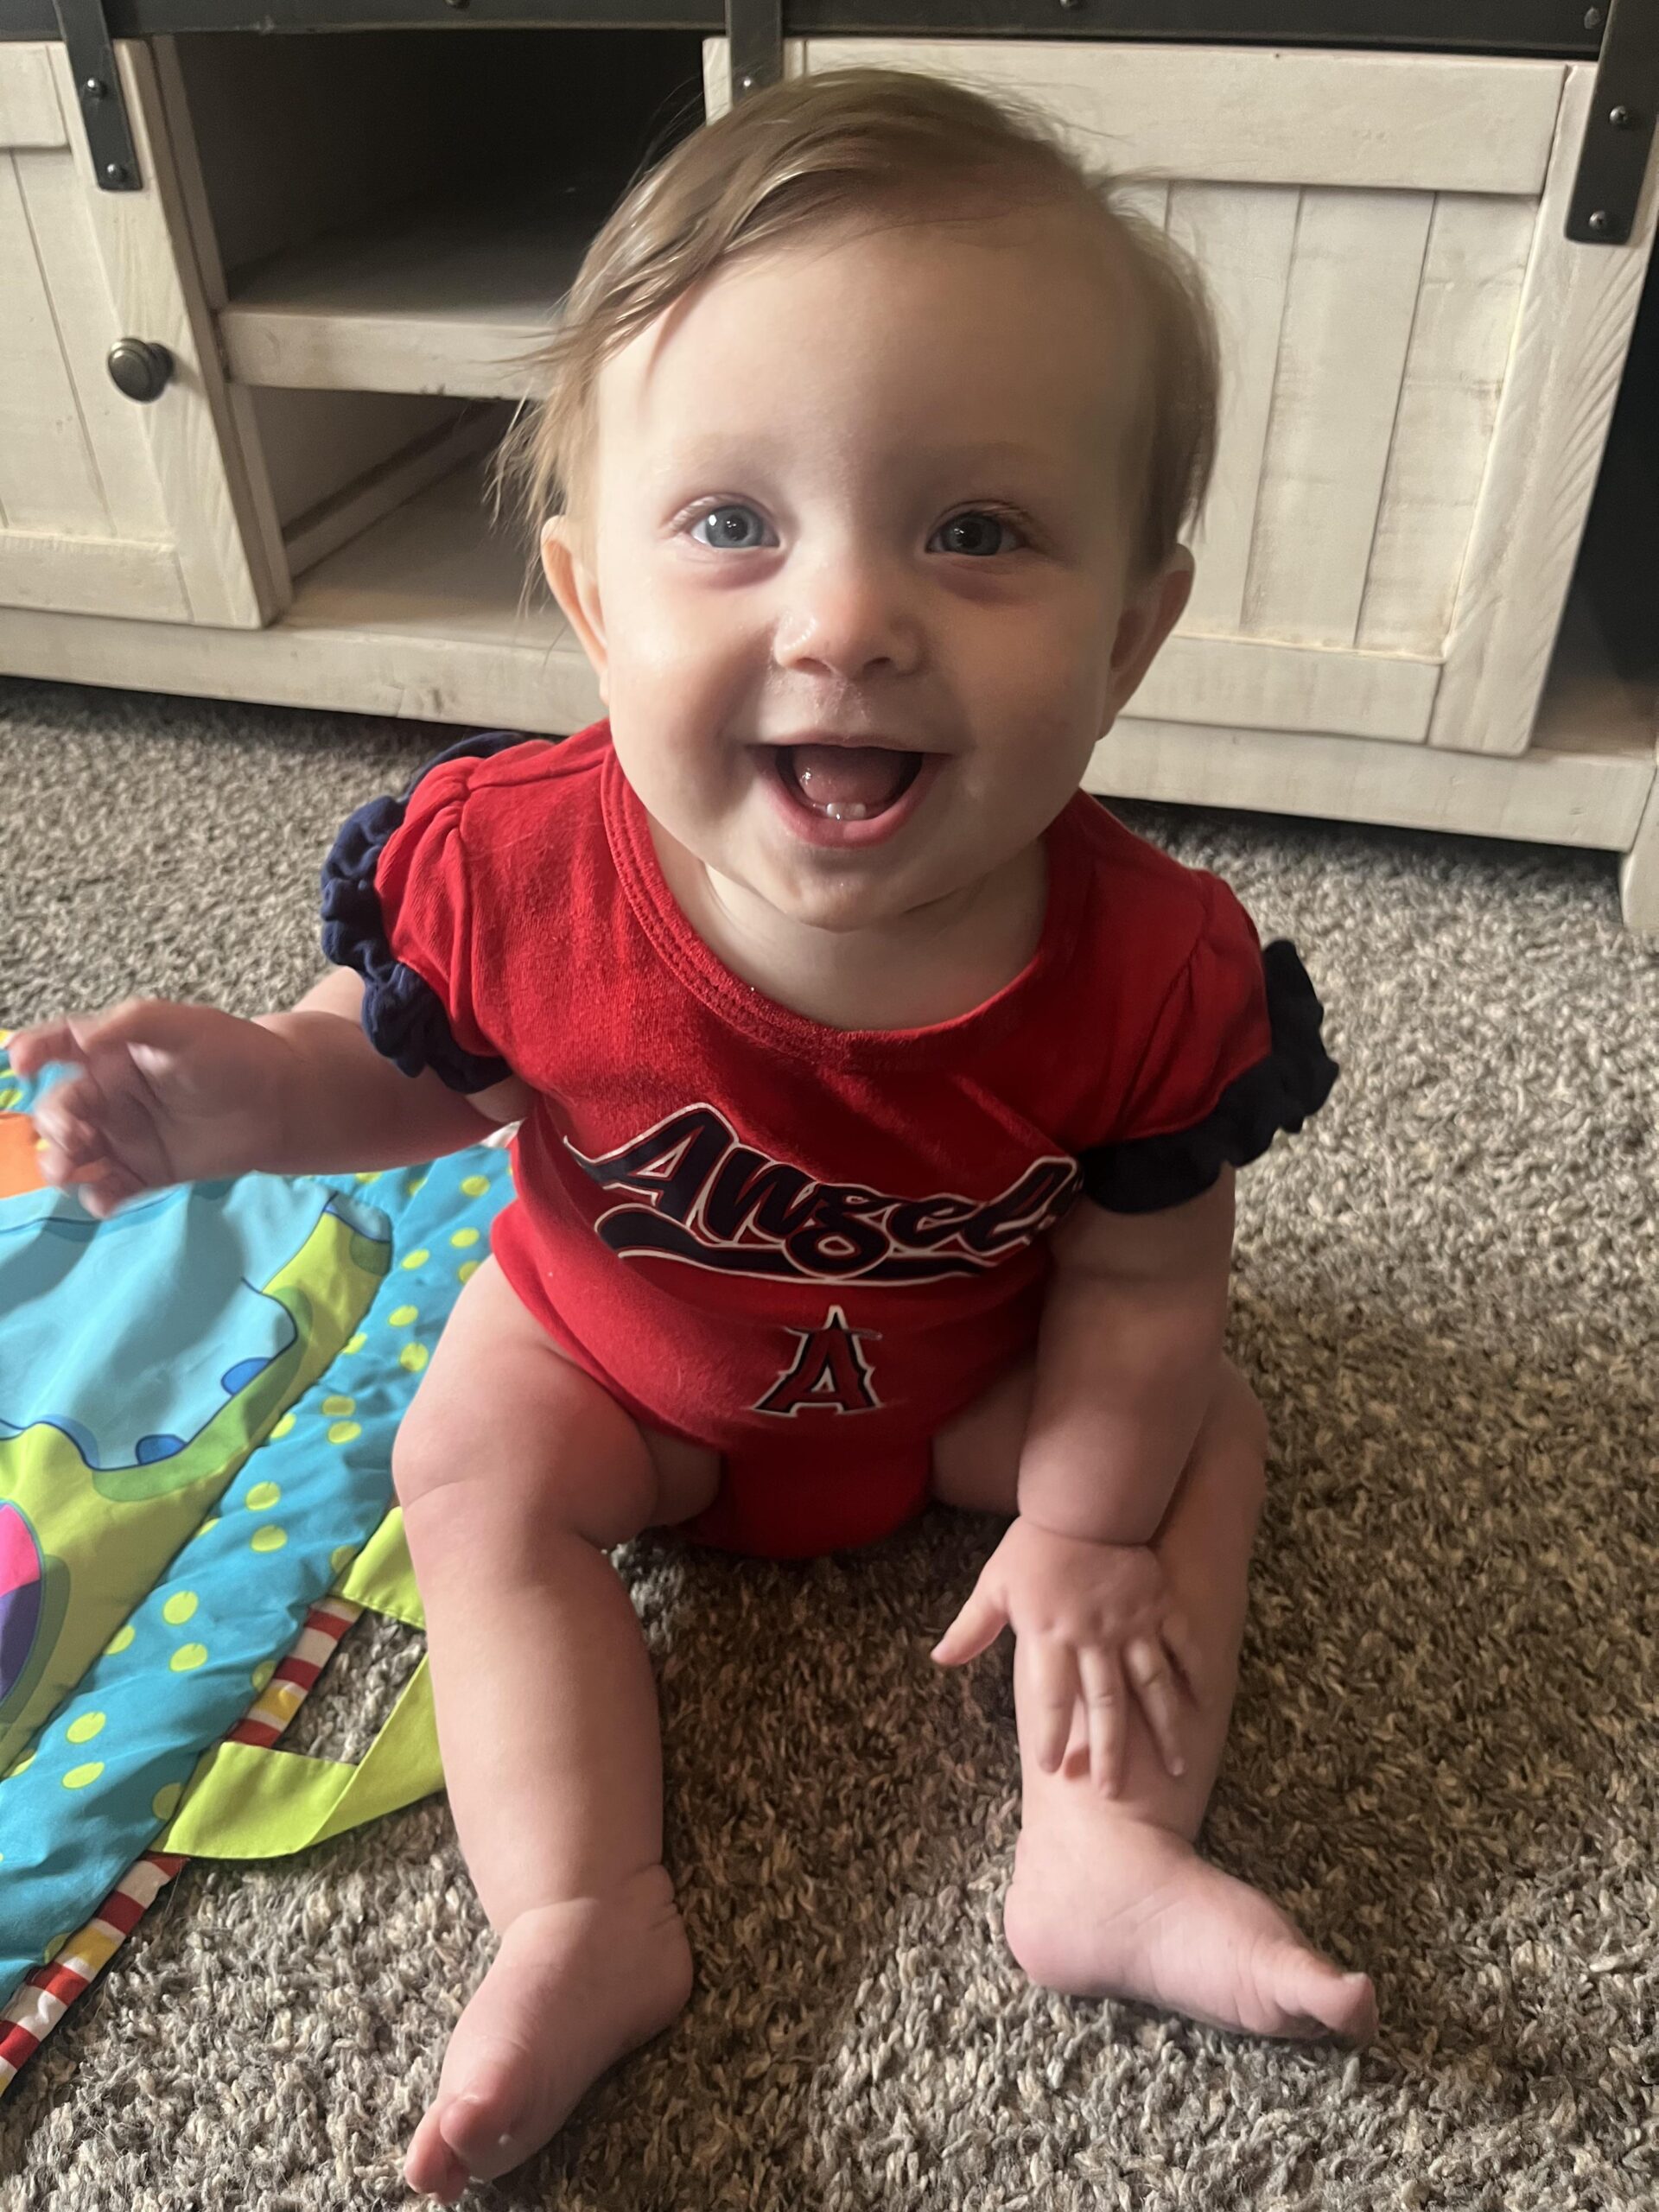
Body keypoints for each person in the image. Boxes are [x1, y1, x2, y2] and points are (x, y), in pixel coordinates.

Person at [8, 63, 1377, 2202]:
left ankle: (1103, 1843)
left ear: (1130, 634)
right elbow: (419, 1079)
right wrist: (250, 1100)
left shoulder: (1159, 968)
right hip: (616, 1366)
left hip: (956, 1396)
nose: (842, 618)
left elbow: (1141, 1277)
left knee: (1202, 1425)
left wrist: (1093, 1516)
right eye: (733, 523)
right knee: (464, 1456)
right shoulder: (516, 867)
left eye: (978, 529)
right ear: (592, 603)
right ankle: (577, 1910)